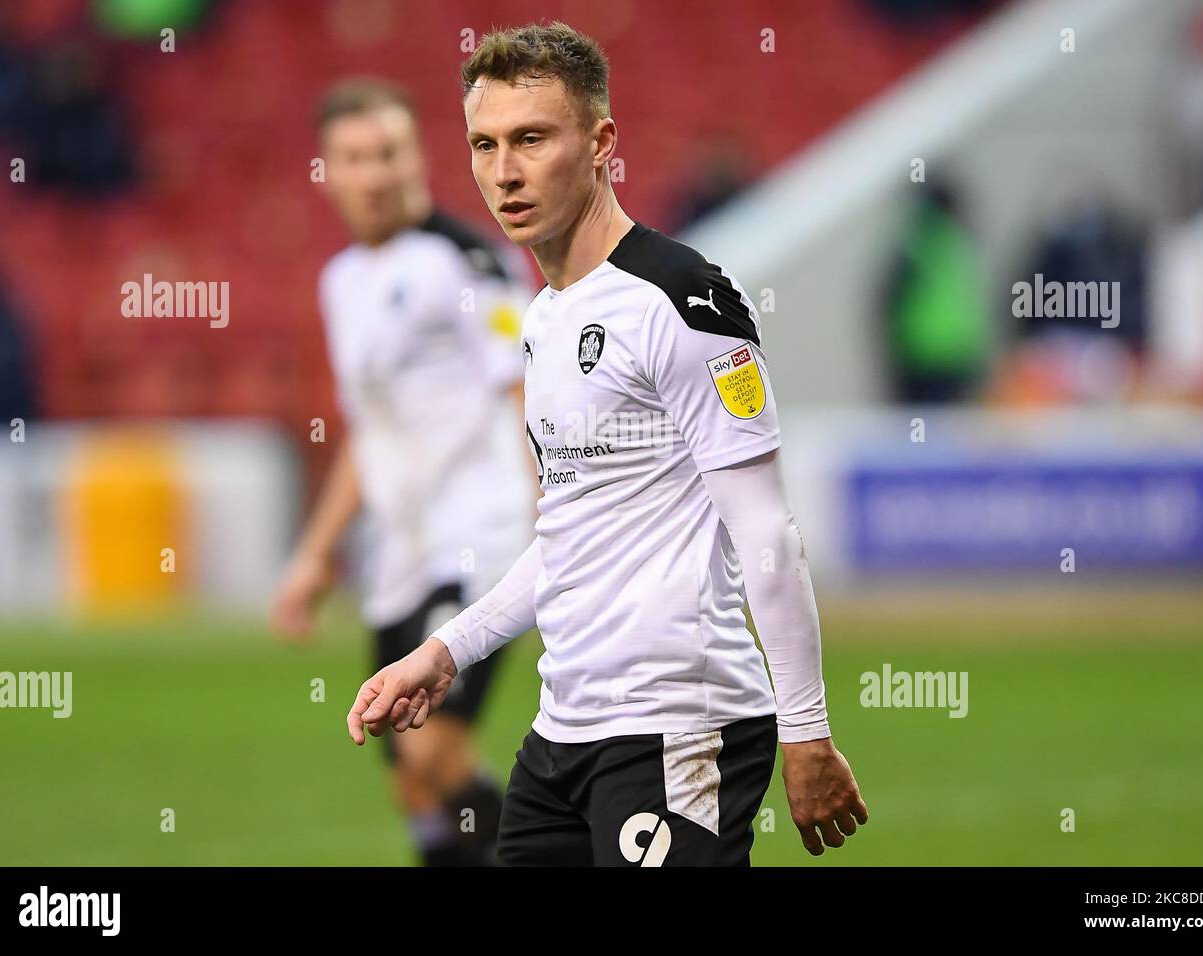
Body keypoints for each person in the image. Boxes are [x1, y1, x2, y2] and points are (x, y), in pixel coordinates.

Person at [347, 22, 868, 866]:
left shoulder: (682, 299)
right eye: (484, 144)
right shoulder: (545, 319)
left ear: (601, 144)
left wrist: (806, 730)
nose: (504, 171)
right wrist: (447, 649)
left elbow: (765, 531)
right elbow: (570, 538)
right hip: (562, 735)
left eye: (531, 139)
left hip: (677, 727)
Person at [274, 78, 533, 866]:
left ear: (417, 155)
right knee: (412, 785)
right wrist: (317, 551)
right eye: (355, 157)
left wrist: (559, 509)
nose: (375, 172)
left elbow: (528, 389)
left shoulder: (469, 261)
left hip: (479, 537)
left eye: (388, 152)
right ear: (330, 171)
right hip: (400, 555)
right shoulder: (341, 281)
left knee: (434, 755)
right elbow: (368, 434)